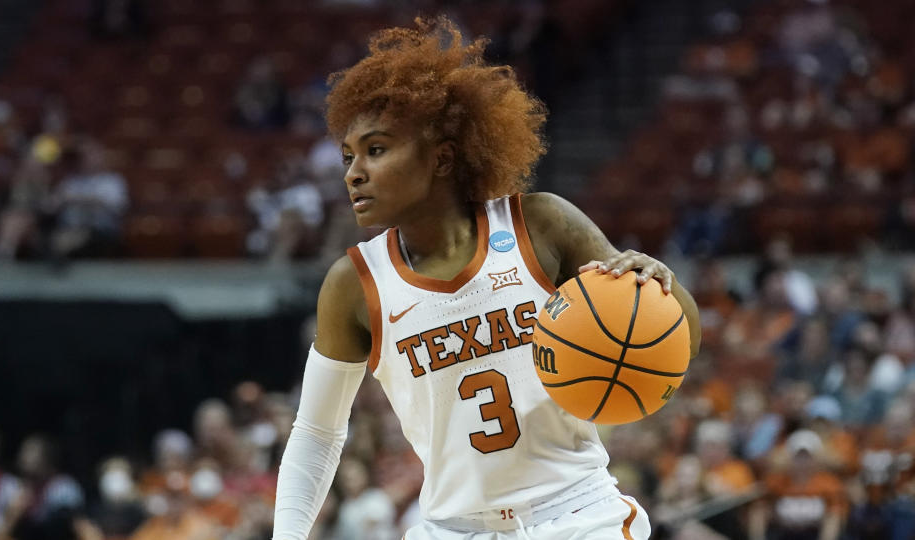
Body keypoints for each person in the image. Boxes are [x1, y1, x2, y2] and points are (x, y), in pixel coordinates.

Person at [271, 17, 700, 540]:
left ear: (443, 157)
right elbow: (317, 432)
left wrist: (659, 283)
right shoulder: (354, 283)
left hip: (576, 515)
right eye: (349, 156)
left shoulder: (541, 224)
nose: (353, 172)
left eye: (376, 150)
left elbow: (680, 338)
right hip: (452, 528)